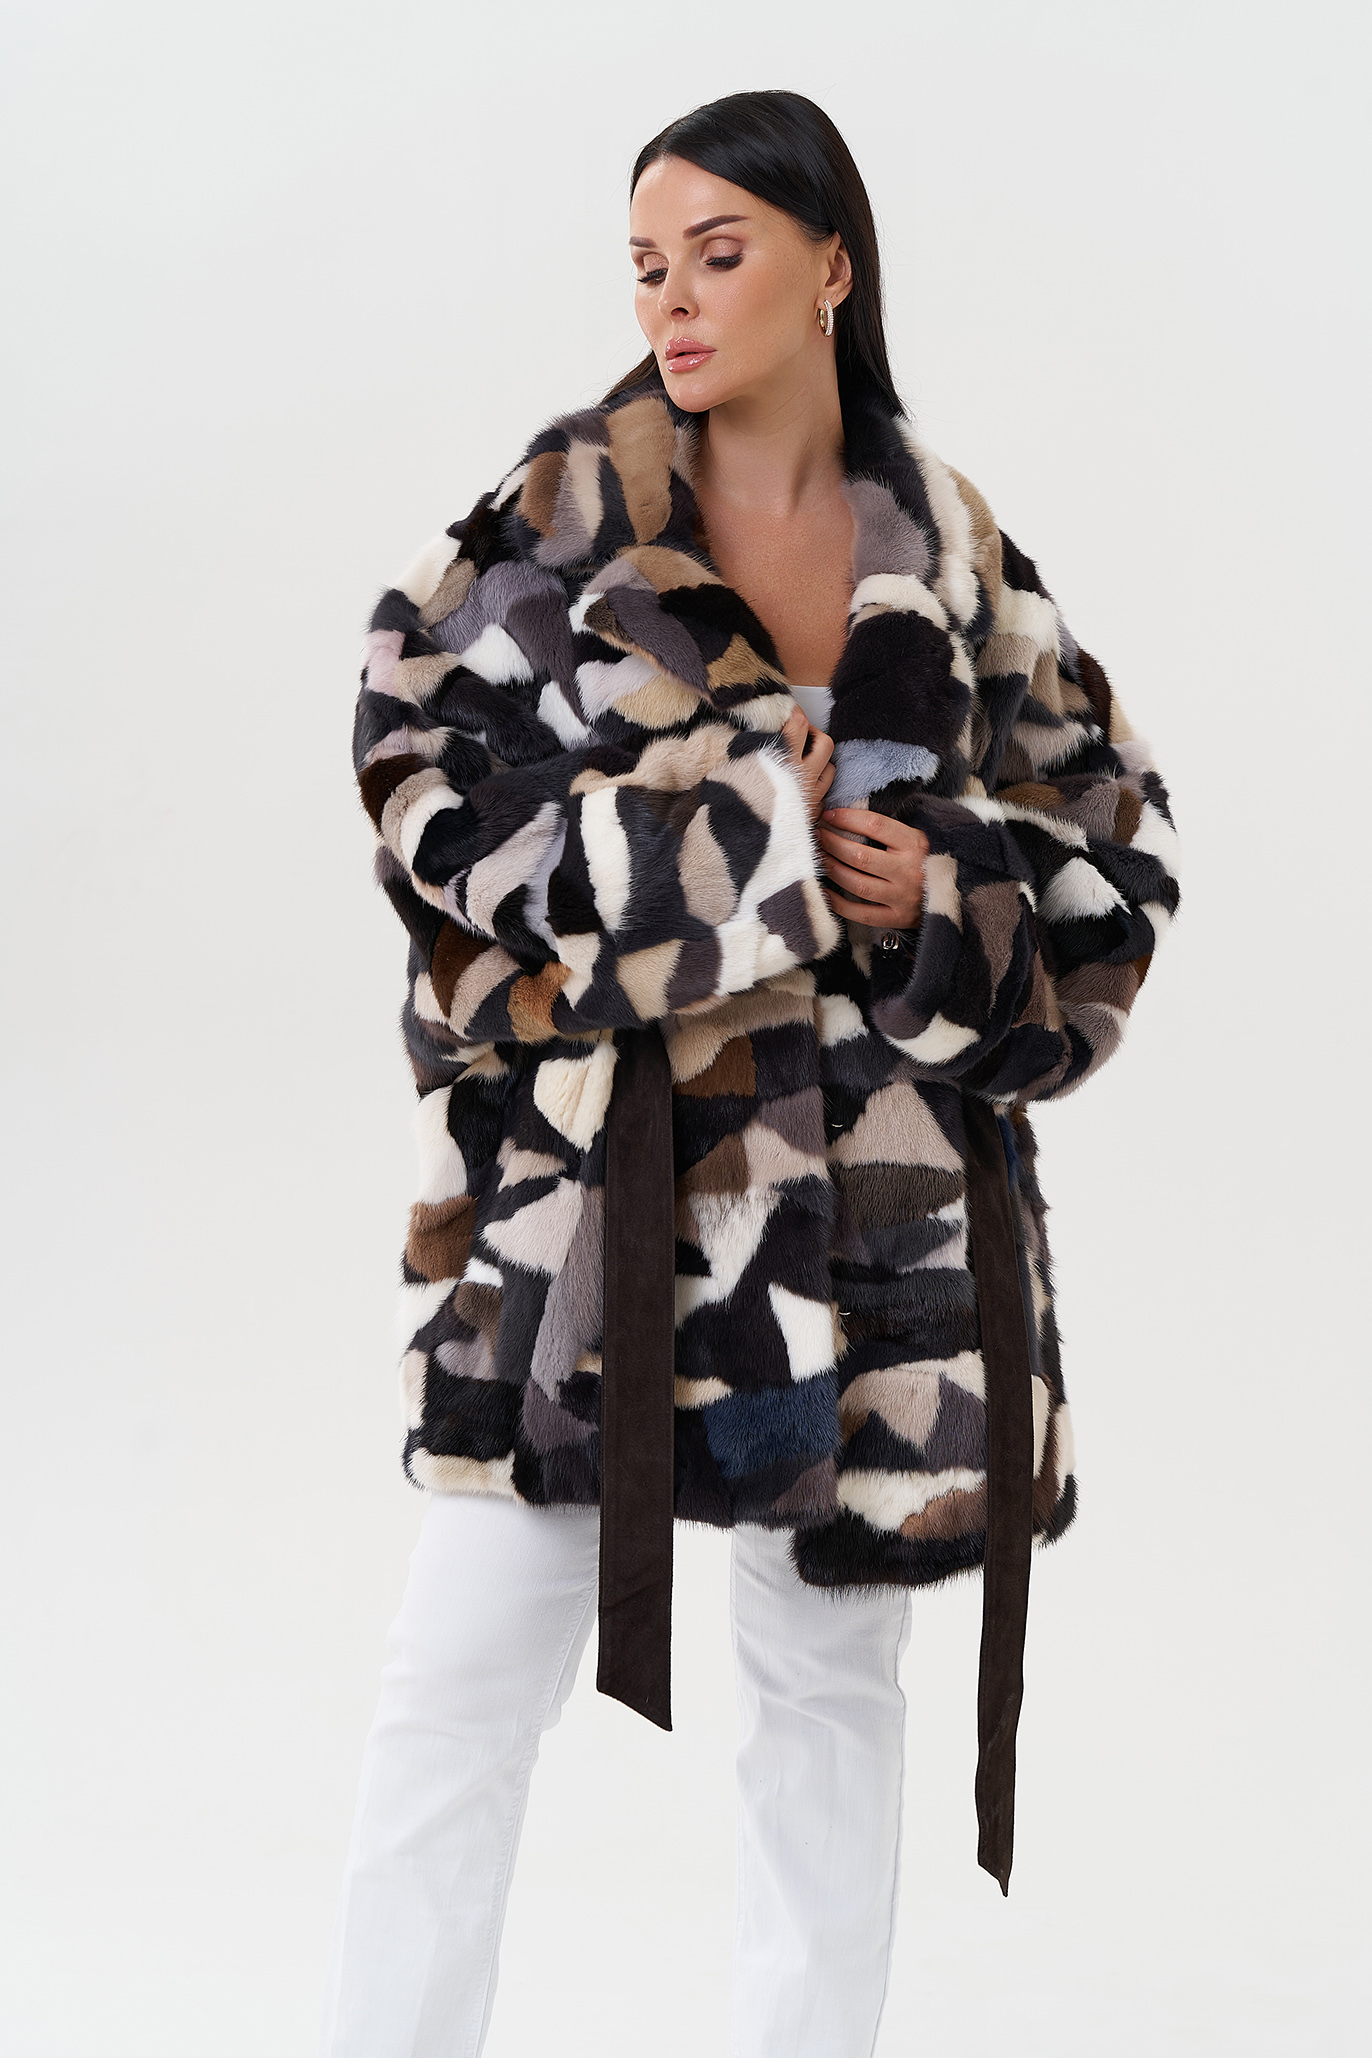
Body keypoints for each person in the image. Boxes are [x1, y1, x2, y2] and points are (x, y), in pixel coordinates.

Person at [320, 89, 1179, 2058]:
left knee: (830, 1695)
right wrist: (724, 839)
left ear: (830, 267)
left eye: (718, 254)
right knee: (458, 1681)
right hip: (593, 1201)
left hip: (882, 1211)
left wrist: (942, 889)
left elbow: (1114, 848)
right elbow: (421, 793)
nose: (675, 302)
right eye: (646, 266)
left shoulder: (950, 549)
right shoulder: (561, 523)